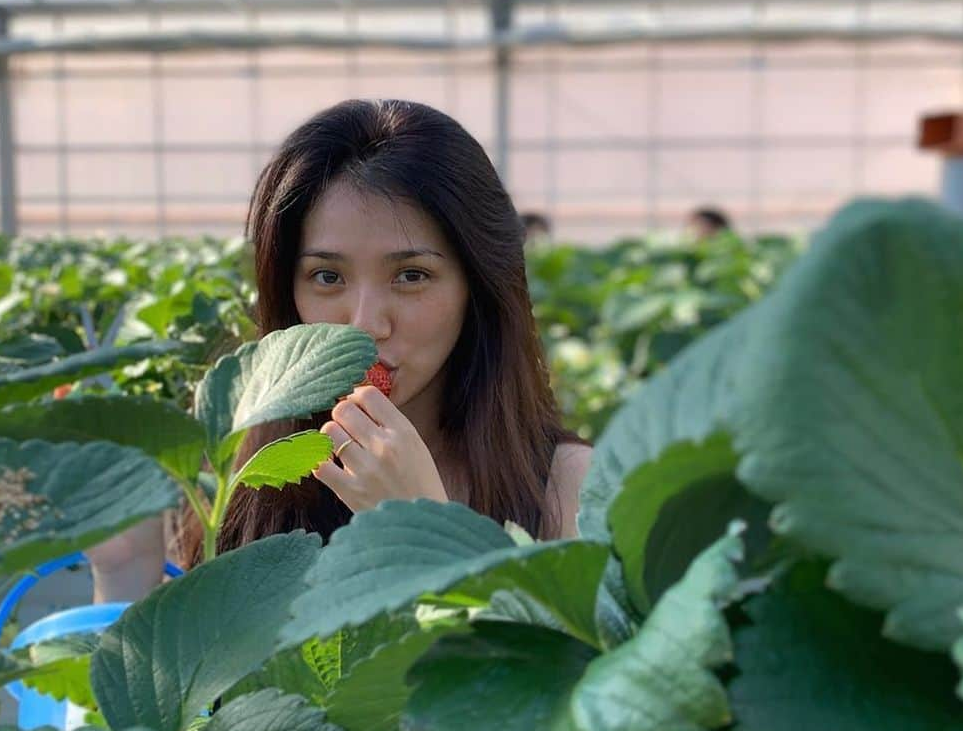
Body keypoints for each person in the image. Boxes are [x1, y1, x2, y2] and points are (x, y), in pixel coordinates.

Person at [90, 99, 592, 603]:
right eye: (327, 277)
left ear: (477, 287)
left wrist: (426, 537)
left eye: (411, 275)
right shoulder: (229, 487)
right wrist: (124, 575)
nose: (364, 325)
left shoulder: (569, 492)